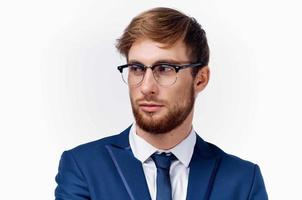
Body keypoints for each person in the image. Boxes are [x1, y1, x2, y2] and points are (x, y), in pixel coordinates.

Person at [55, 7, 268, 200]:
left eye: (165, 69)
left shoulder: (243, 180)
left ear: (200, 79)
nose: (147, 87)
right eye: (137, 68)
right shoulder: (83, 167)